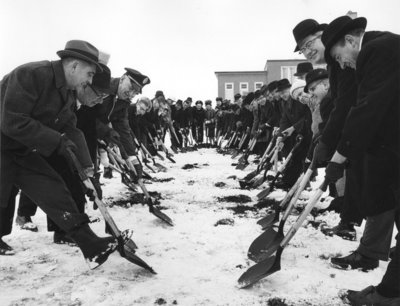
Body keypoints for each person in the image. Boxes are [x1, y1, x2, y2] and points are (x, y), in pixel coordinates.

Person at [0, 40, 117, 268]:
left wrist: (89, 173)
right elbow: (12, 121)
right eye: (90, 74)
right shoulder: (31, 74)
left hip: (21, 150)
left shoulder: (67, 95)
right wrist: (56, 140)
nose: (90, 81)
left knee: (53, 188)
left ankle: (89, 244)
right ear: (73, 66)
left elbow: (72, 130)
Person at [322, 15, 399, 303]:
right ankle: (391, 293)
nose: (341, 65)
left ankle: (390, 295)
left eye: (339, 56)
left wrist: (339, 156)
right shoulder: (380, 49)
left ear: (352, 41)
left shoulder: (380, 50)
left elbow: (367, 109)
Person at [292, 18, 362, 239]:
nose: (306, 51)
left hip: (367, 129)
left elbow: (345, 105)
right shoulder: (333, 65)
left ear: (323, 34)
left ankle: (363, 237)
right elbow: (334, 108)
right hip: (354, 131)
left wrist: (328, 141)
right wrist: (324, 136)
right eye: (302, 49)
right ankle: (357, 230)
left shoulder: (343, 60)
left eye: (308, 44)